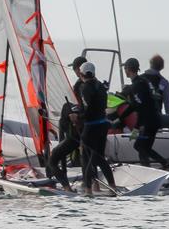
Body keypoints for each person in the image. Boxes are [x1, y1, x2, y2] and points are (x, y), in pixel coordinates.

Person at [116, 57, 169, 169]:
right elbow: (135, 105)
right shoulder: (140, 82)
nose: (124, 71)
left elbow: (141, 107)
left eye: (125, 68)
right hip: (152, 121)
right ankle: (161, 163)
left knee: (140, 147)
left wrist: (136, 128)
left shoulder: (137, 85)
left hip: (148, 122)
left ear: (128, 69)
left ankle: (153, 167)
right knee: (141, 146)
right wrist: (121, 118)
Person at [46, 57, 87, 190]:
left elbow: (80, 108)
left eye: (75, 69)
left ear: (77, 69)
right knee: (88, 158)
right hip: (89, 130)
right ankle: (92, 185)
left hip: (76, 131)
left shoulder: (80, 87)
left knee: (54, 159)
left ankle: (67, 188)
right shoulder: (95, 85)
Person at [78, 62, 117, 195]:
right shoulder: (101, 86)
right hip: (103, 125)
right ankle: (112, 186)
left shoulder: (84, 88)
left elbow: (87, 109)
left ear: (81, 74)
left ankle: (88, 189)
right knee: (99, 157)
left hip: (91, 127)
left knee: (87, 157)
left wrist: (78, 117)